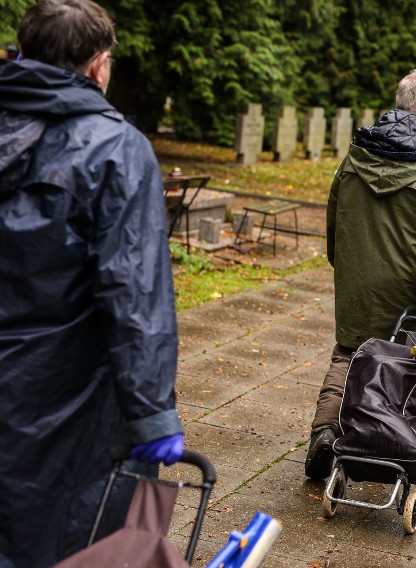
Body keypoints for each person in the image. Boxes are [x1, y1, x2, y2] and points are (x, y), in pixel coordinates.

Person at [0, 1, 183, 566]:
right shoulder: (118, 150)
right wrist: (152, 410)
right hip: (72, 388)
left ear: (23, 53)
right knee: (75, 533)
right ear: (100, 66)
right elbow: (134, 292)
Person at [304, 68, 416, 480]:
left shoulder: (357, 152)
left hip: (356, 276)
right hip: (405, 289)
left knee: (348, 352)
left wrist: (343, 264)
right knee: (398, 360)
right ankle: (385, 443)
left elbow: (334, 213)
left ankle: (325, 430)